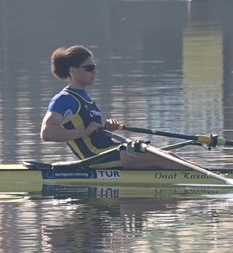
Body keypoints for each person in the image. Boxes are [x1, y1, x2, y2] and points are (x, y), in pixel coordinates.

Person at [40, 45, 168, 169]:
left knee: (165, 155)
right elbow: (47, 133)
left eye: (94, 67)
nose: (94, 72)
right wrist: (85, 131)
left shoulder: (87, 99)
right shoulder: (63, 99)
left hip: (108, 149)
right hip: (96, 156)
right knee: (162, 158)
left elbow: (94, 136)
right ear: (73, 70)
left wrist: (108, 130)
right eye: (89, 68)